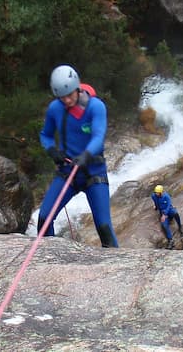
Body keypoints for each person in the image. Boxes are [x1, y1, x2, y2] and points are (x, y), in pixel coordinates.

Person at [36, 64, 119, 248]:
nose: (66, 100)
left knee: (104, 226)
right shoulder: (55, 109)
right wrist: (51, 150)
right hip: (67, 173)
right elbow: (46, 135)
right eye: (62, 97)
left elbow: (98, 135)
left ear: (77, 88)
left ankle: (117, 265)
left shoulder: (95, 107)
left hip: (93, 172)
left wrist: (86, 155)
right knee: (44, 218)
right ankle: (49, 257)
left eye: (69, 95)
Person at [151, 184, 183, 249]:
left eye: (158, 193)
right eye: (156, 192)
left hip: (168, 210)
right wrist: (156, 207)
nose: (156, 194)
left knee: (175, 213)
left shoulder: (166, 196)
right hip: (162, 211)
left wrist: (165, 215)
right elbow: (156, 202)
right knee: (164, 225)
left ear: (161, 192)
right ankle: (170, 240)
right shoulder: (153, 196)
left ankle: (180, 226)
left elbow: (168, 205)